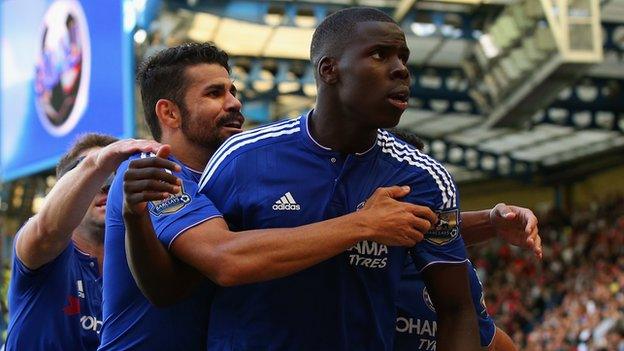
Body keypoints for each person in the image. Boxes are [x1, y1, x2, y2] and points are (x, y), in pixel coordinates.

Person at [124, 8, 543, 351]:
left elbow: (457, 311)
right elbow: (184, 281)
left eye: (404, 58)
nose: (400, 70)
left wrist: (488, 221)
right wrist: (134, 217)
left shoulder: (423, 177)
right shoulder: (242, 158)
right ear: (329, 70)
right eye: (380, 55)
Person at [99, 42, 435, 351]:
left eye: (233, 90)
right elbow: (225, 259)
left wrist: (485, 221)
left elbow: (318, 228)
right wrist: (363, 223)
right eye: (214, 93)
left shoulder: (241, 179)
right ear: (169, 113)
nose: (234, 102)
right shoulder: (151, 172)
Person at [4, 134, 163, 351]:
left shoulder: (143, 266)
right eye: (94, 177)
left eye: (116, 175)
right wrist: (97, 162)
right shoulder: (38, 248)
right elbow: (47, 229)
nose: (106, 186)